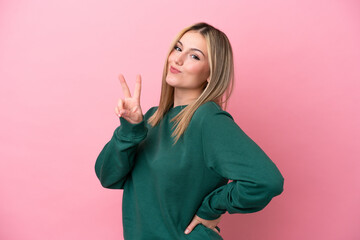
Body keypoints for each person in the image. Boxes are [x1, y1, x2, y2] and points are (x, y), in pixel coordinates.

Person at [95, 22, 284, 240]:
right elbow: (108, 177)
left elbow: (267, 180)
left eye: (194, 56)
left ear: (211, 74)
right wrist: (129, 129)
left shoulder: (208, 120)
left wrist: (212, 206)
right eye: (177, 48)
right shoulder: (151, 118)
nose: (177, 59)